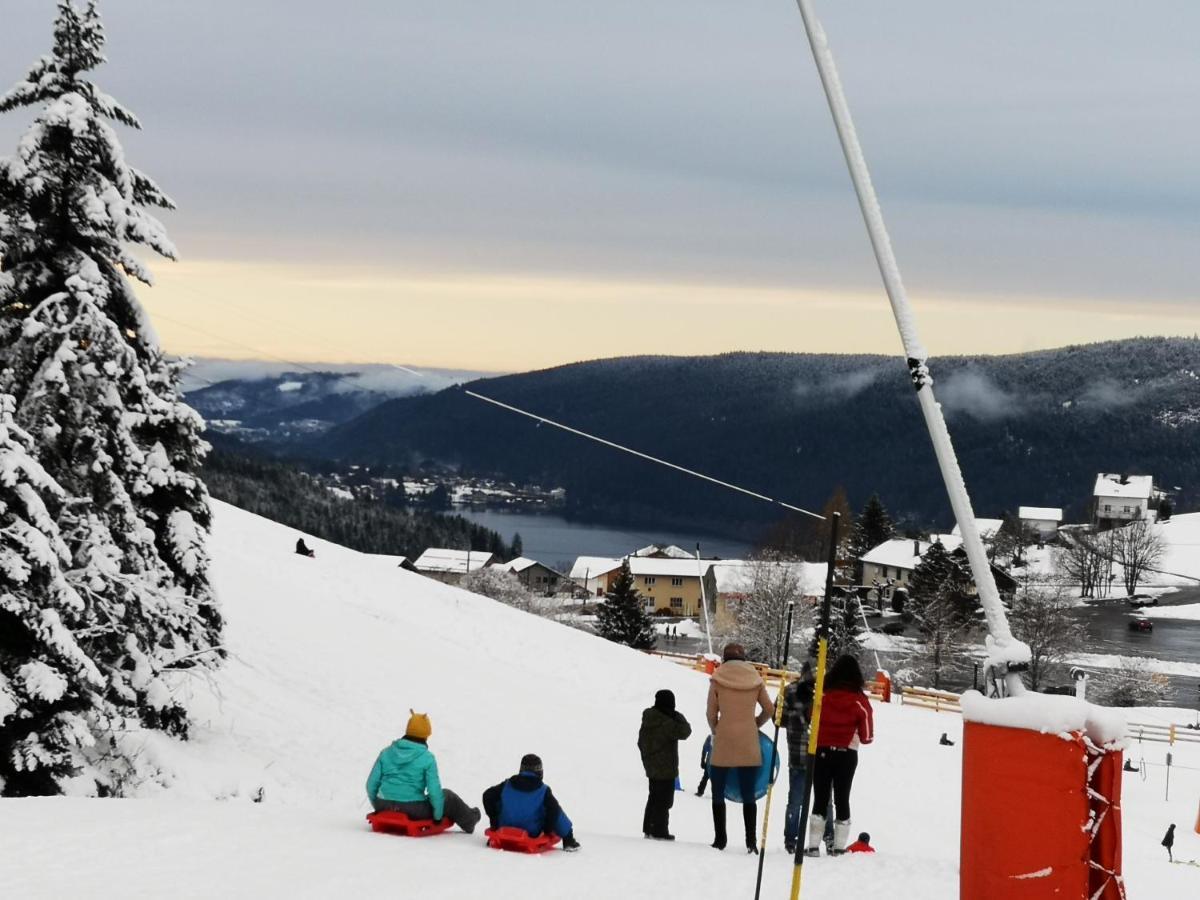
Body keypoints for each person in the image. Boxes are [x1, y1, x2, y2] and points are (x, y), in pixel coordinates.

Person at [365, 711, 481, 833]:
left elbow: (370, 784)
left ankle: (385, 805)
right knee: (448, 796)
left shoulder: (386, 752)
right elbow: (434, 791)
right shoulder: (427, 758)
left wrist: (378, 805)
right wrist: (437, 817)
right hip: (413, 809)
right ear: (426, 734)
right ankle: (470, 819)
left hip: (382, 804)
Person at [707, 642, 773, 853]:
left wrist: (718, 729)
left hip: (724, 739)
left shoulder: (717, 678)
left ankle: (720, 839)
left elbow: (710, 714)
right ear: (743, 657)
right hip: (748, 741)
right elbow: (770, 709)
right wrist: (754, 724)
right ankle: (751, 842)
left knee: (718, 791)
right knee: (748, 794)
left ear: (725, 658)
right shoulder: (755, 679)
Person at [805, 654, 874, 857]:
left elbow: (811, 717)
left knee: (820, 798)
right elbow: (867, 736)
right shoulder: (860, 700)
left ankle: (813, 846)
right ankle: (839, 847)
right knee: (842, 798)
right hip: (847, 754)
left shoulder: (823, 696)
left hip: (822, 751)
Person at [483, 754, 580, 851]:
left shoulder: (507, 785)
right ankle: (569, 840)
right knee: (553, 809)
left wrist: (494, 821)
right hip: (531, 832)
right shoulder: (543, 790)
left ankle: (501, 828)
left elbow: (487, 796)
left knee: (502, 800)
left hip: (504, 826)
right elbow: (554, 811)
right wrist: (547, 829)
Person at [638, 689, 692, 840]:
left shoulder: (649, 718)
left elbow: (640, 742)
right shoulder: (667, 722)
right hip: (666, 767)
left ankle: (649, 827)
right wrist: (678, 716)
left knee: (654, 797)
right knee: (664, 800)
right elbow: (686, 731)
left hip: (651, 766)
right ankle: (659, 830)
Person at [782, 662, 815, 853]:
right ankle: (823, 838)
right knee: (824, 801)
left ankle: (791, 839)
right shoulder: (824, 693)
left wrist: (793, 719)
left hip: (797, 753)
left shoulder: (789, 691)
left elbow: (779, 719)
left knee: (795, 800)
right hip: (820, 754)